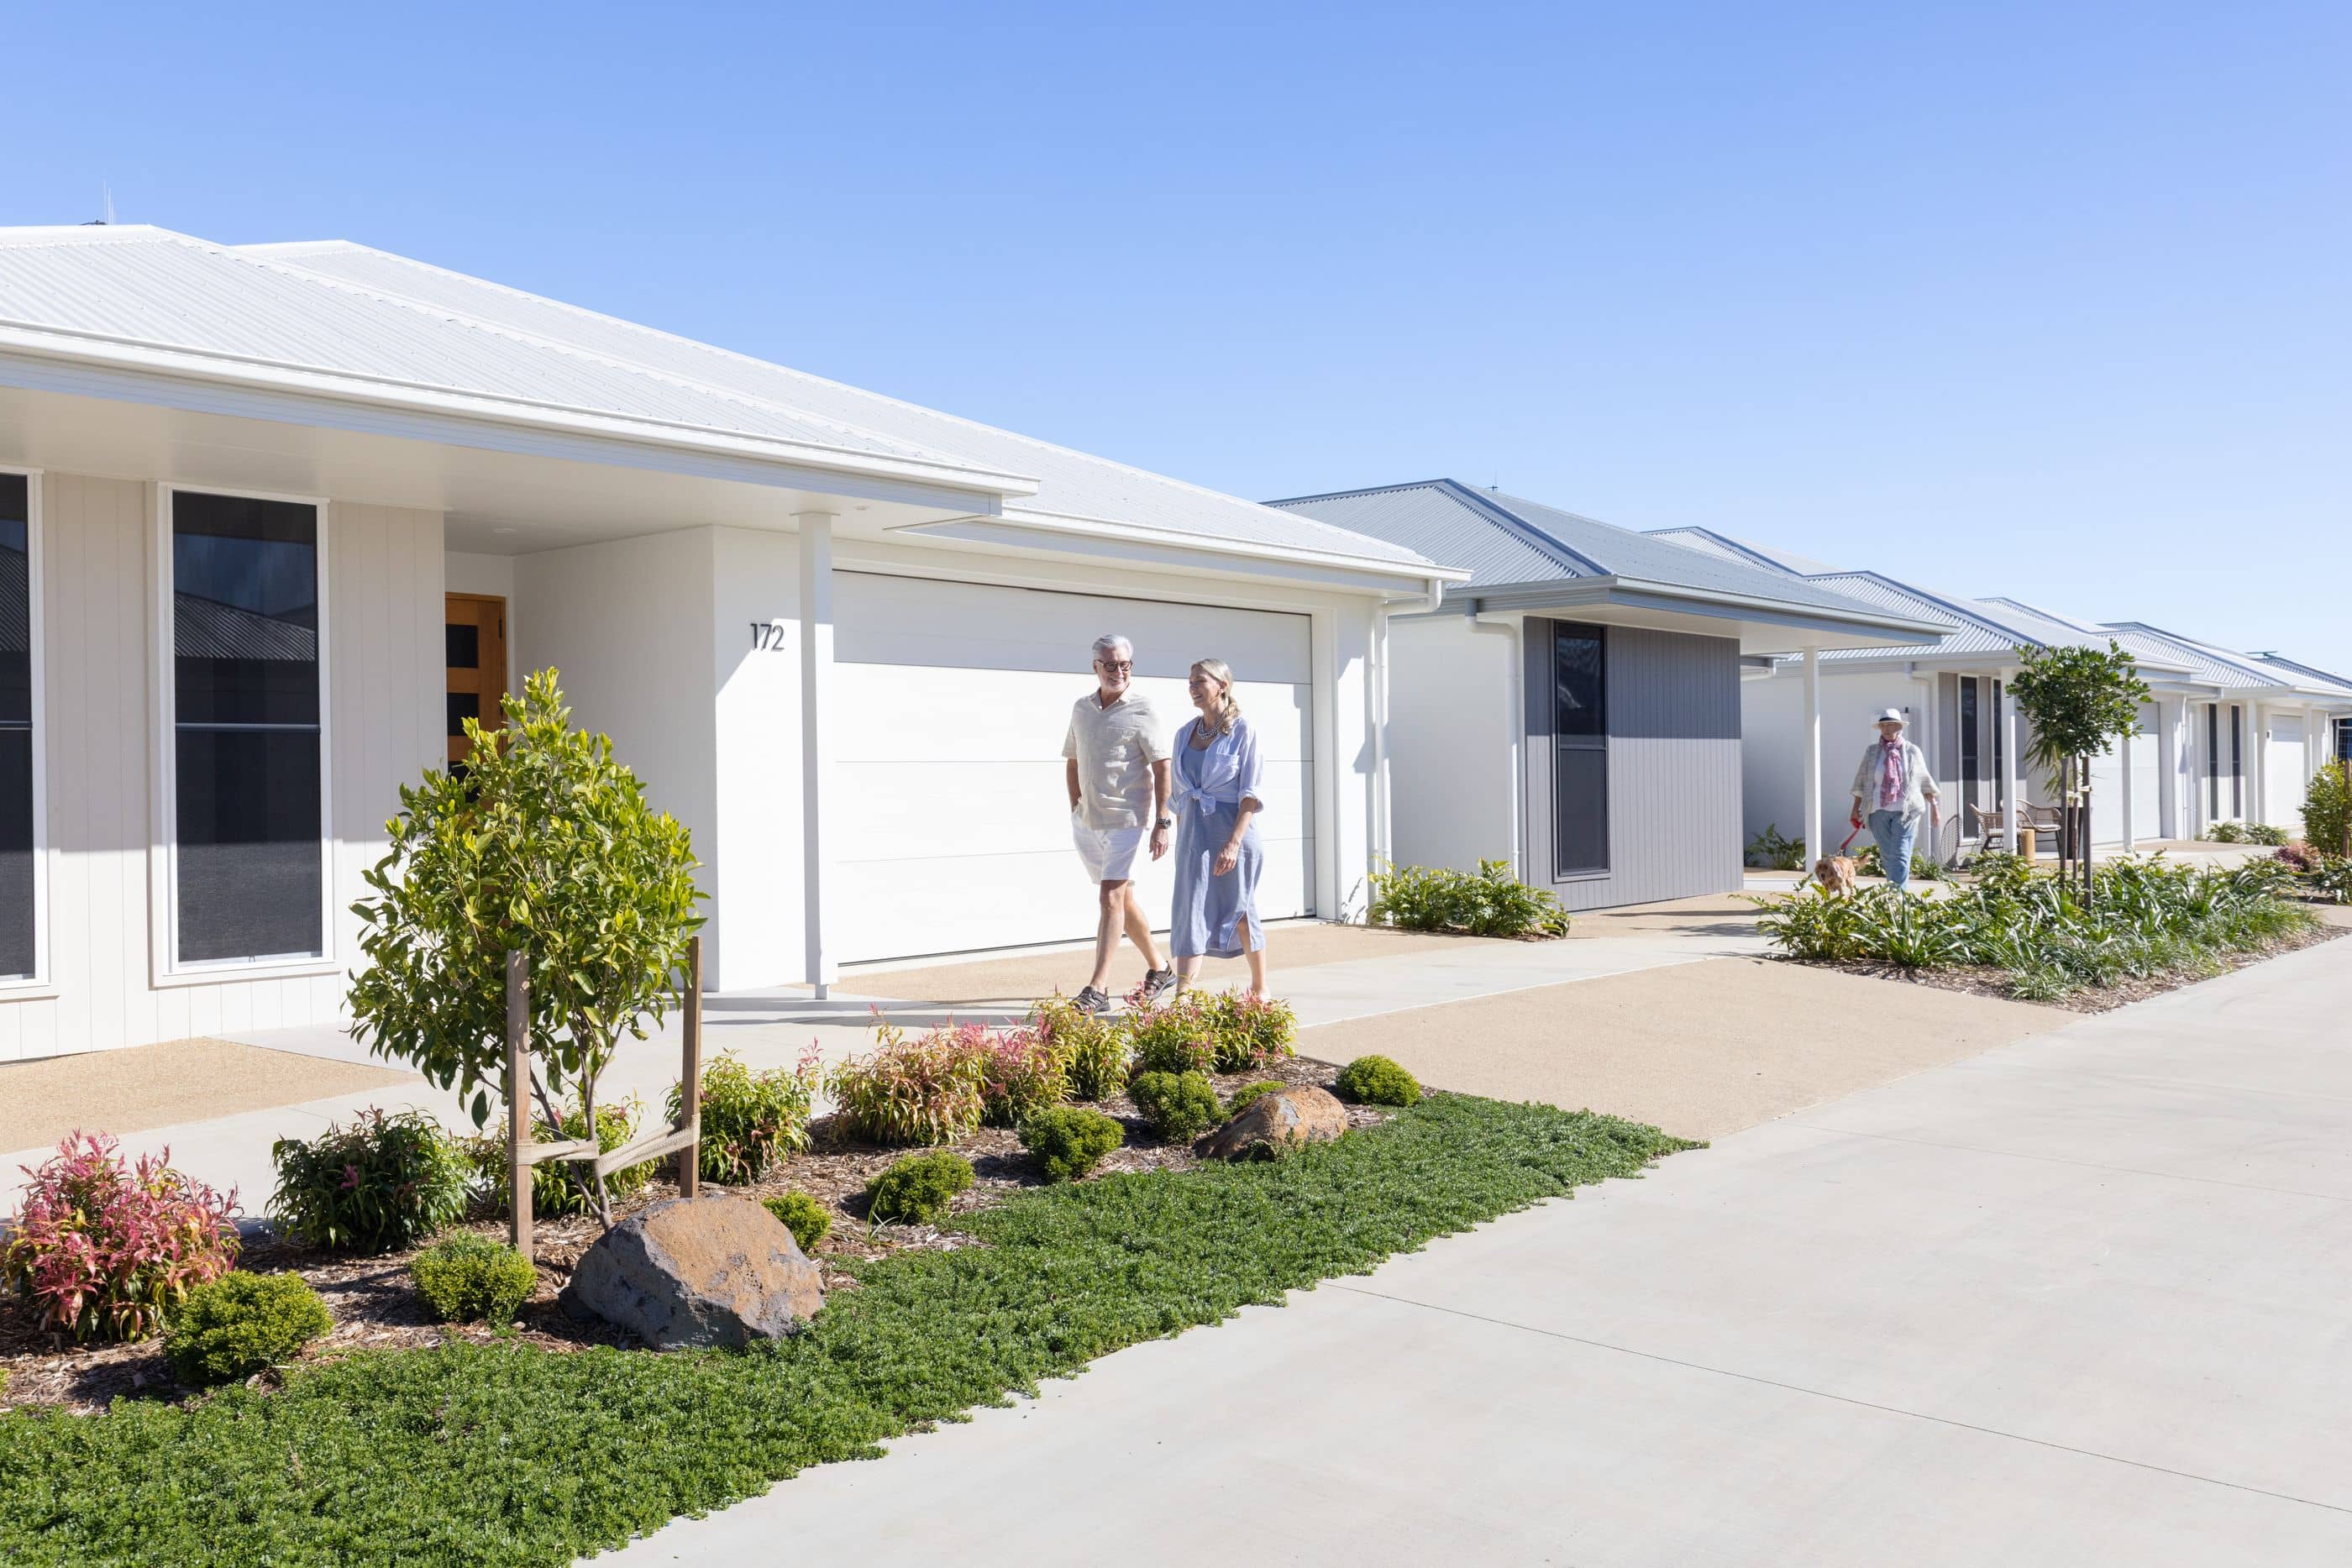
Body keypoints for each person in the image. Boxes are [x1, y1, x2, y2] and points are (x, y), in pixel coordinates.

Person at [1063, 633, 1173, 1014]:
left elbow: (1162, 766)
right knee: (1123, 899)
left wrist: (1163, 821)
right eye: (1110, 664)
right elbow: (1073, 759)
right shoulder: (1081, 708)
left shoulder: (1144, 709)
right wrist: (1075, 806)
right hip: (1088, 820)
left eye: (1125, 664)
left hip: (1128, 819)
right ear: (1095, 666)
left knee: (1109, 897)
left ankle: (1098, 989)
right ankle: (1160, 968)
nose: (1119, 671)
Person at [1169, 658, 1268, 997]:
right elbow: (1178, 793)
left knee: (1239, 909)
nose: (1192, 688)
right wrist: (1177, 834)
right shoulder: (1185, 733)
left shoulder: (1243, 730)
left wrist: (1234, 842)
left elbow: (1251, 794)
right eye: (1190, 682)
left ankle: (1259, 987)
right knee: (1190, 908)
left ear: (1222, 686)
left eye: (1200, 681)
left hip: (1232, 831)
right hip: (1194, 833)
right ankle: (1184, 996)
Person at [1849, 707, 1940, 893]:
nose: (1887, 729)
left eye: (1891, 724)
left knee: (1900, 852)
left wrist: (1934, 807)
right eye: (1883, 725)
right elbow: (1861, 781)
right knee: (1888, 855)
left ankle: (1898, 895)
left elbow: (1924, 781)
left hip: (1906, 810)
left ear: (1899, 727)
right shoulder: (1872, 752)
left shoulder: (1912, 751)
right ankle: (1894, 893)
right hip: (1877, 810)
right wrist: (1855, 808)